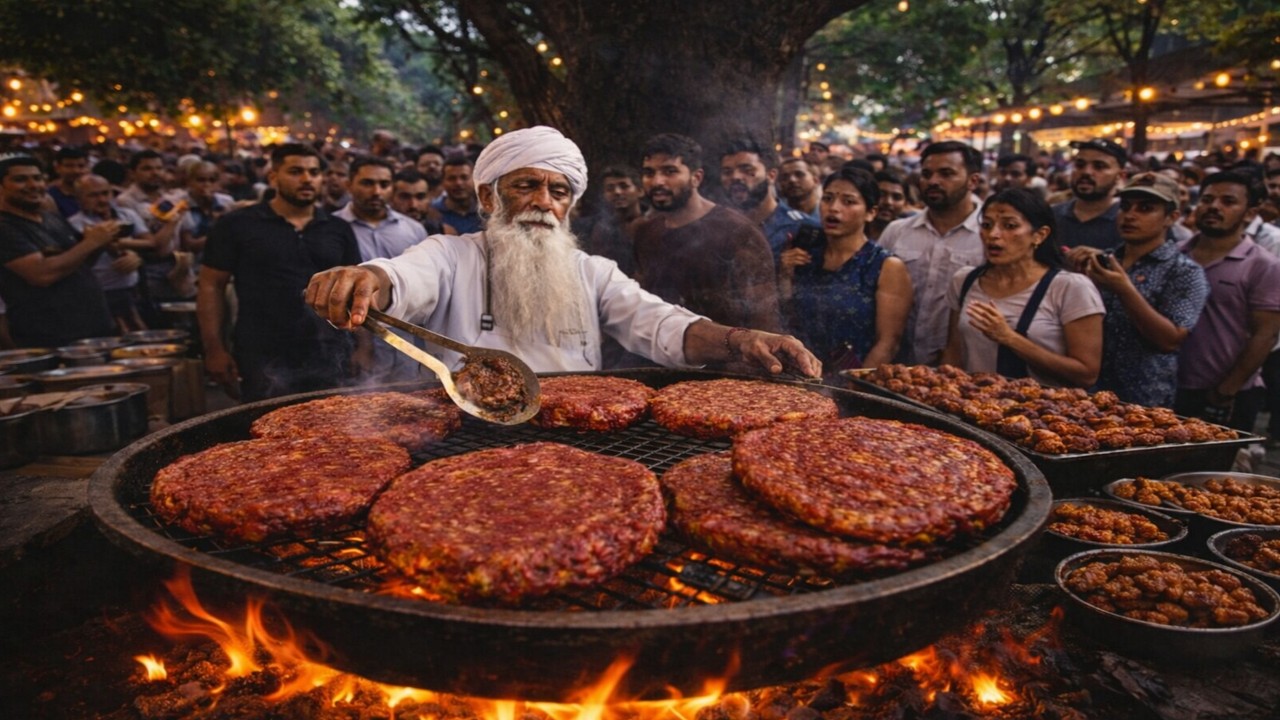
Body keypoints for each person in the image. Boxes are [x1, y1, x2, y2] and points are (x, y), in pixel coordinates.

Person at [304, 126, 820, 378]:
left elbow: (663, 326)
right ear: (488, 196)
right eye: (526, 185)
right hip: (462, 444)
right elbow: (400, 275)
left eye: (558, 192)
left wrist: (739, 338)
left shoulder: (591, 271)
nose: (542, 203)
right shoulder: (449, 255)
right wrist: (367, 278)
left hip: (574, 445)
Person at [198, 143, 362, 401]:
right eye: (296, 171)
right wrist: (214, 348)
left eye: (314, 172)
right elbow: (211, 286)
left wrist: (363, 346)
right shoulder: (237, 224)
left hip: (328, 350)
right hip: (262, 351)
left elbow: (354, 289)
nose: (307, 179)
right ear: (273, 177)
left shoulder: (337, 228)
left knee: (333, 428)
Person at [1067, 173, 1209, 407]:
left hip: (1144, 400)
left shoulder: (1184, 271)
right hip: (1087, 395)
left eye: (1145, 208)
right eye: (1125, 207)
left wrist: (1124, 290)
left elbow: (1170, 341)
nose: (1130, 216)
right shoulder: (1104, 260)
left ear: (1171, 217)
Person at [941, 188, 1105, 387]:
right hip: (973, 406)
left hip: (1040, 412)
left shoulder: (1070, 288)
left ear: (1039, 235)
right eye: (986, 225)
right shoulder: (964, 280)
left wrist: (1009, 337)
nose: (993, 235)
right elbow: (954, 352)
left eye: (1009, 226)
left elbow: (1086, 374)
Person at [633, 133, 783, 333]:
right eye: (649, 173)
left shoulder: (737, 232)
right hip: (658, 353)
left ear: (696, 177)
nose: (657, 181)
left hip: (724, 358)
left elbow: (763, 320)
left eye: (670, 171)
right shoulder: (647, 232)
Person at [778, 166, 911, 376]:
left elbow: (888, 343)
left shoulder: (884, 266)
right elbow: (785, 315)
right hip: (797, 374)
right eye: (828, 198)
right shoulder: (804, 256)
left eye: (848, 202)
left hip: (851, 381)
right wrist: (784, 274)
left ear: (871, 212)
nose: (834, 208)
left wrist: (854, 384)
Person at [1175, 171, 1280, 432]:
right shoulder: (1175, 254)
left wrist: (1227, 390)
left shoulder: (1262, 265)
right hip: (1170, 386)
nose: (1214, 207)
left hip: (1225, 393)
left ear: (1248, 213)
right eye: (1207, 199)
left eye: (1228, 201)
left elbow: (1265, 334)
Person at [878, 141, 986, 365]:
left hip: (962, 369)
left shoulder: (989, 238)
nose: (933, 181)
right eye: (927, 174)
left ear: (973, 180)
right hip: (896, 365)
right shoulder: (897, 231)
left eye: (946, 174)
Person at [0, 154, 115, 346]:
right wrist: (91, 243)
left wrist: (102, 242)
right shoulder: (5, 227)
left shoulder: (51, 218)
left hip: (92, 329)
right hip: (52, 337)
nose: (33, 185)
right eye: (20, 180)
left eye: (37, 178)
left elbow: (79, 262)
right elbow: (41, 274)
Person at [68, 174, 155, 333]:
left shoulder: (126, 215)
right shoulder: (75, 224)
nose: (102, 200)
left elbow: (151, 242)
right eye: (93, 195)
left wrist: (133, 254)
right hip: (101, 295)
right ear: (79, 199)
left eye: (105, 193)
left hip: (133, 291)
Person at [718, 137, 813, 256]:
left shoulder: (803, 228)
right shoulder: (717, 226)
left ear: (771, 176)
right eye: (727, 172)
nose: (735, 177)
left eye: (747, 170)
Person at [1053, 139, 1127, 250]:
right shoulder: (1052, 216)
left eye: (1099, 166)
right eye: (1080, 165)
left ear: (1120, 176)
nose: (1086, 172)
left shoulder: (1128, 222)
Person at [573, 165, 645, 276]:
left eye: (624, 186)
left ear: (640, 191)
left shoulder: (655, 224)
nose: (617, 192)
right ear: (604, 195)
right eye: (610, 188)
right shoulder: (591, 228)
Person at [432, 156, 484, 234]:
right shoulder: (433, 212)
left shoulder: (487, 211)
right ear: (442, 182)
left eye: (464, 177)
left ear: (474, 180)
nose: (458, 183)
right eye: (452, 178)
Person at [390, 168, 444, 233]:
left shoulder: (439, 230)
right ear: (391, 198)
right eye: (405, 197)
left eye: (420, 197)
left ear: (429, 198)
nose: (413, 205)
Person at [867, 169, 915, 240]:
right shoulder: (852, 229)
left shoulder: (911, 236)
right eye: (882, 195)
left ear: (905, 203)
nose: (888, 202)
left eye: (897, 197)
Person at [47, 147, 90, 218]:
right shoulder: (50, 197)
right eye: (69, 166)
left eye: (81, 166)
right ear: (57, 168)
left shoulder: (97, 193)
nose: (76, 171)